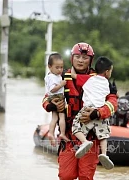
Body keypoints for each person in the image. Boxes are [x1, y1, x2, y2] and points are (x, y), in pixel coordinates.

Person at [42, 42, 118, 179]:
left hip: (90, 137)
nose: (80, 60)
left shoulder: (99, 78)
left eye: (85, 57)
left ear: (91, 60)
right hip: (69, 136)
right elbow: (46, 98)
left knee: (86, 176)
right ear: (72, 58)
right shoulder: (61, 76)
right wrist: (52, 106)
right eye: (77, 57)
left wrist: (97, 113)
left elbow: (112, 102)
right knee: (65, 176)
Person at [71, 56, 114, 170]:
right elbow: (109, 98)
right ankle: (104, 154)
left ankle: (84, 142)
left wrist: (72, 67)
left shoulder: (88, 79)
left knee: (75, 127)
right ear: (107, 72)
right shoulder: (108, 84)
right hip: (100, 110)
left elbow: (73, 76)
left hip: (87, 109)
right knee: (104, 135)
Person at [43, 53, 69, 145]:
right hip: (58, 97)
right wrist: (61, 84)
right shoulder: (53, 78)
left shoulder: (49, 75)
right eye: (57, 67)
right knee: (61, 117)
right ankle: (62, 133)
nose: (60, 70)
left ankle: (51, 133)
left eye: (61, 67)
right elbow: (52, 89)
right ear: (50, 66)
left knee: (54, 118)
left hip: (52, 97)